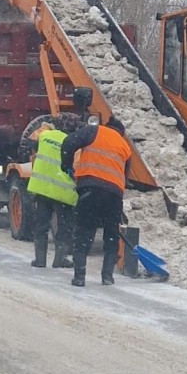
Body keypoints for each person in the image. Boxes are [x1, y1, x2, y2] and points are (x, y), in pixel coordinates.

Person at [61, 116, 132, 287]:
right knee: (111, 235)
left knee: (84, 231)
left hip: (90, 189)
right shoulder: (125, 146)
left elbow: (68, 143)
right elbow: (126, 176)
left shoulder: (94, 130)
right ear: (121, 132)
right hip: (114, 195)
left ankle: (79, 277)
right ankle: (107, 276)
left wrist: (67, 165)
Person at [26, 119, 78, 269]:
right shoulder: (71, 141)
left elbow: (32, 144)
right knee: (64, 227)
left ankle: (40, 260)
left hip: (43, 189)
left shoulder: (44, 135)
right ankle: (60, 259)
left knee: (41, 225)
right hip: (63, 192)